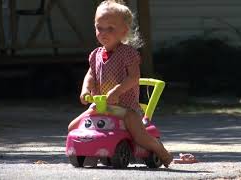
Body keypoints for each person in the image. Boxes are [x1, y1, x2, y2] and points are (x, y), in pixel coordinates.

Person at [67, 0, 173, 168]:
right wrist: (85, 89)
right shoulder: (95, 55)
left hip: (126, 108)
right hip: (101, 106)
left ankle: (162, 153)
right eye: (99, 28)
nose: (103, 33)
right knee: (72, 126)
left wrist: (117, 90)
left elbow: (134, 77)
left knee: (139, 136)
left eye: (110, 28)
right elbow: (91, 75)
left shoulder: (128, 53)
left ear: (124, 32)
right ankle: (90, 150)